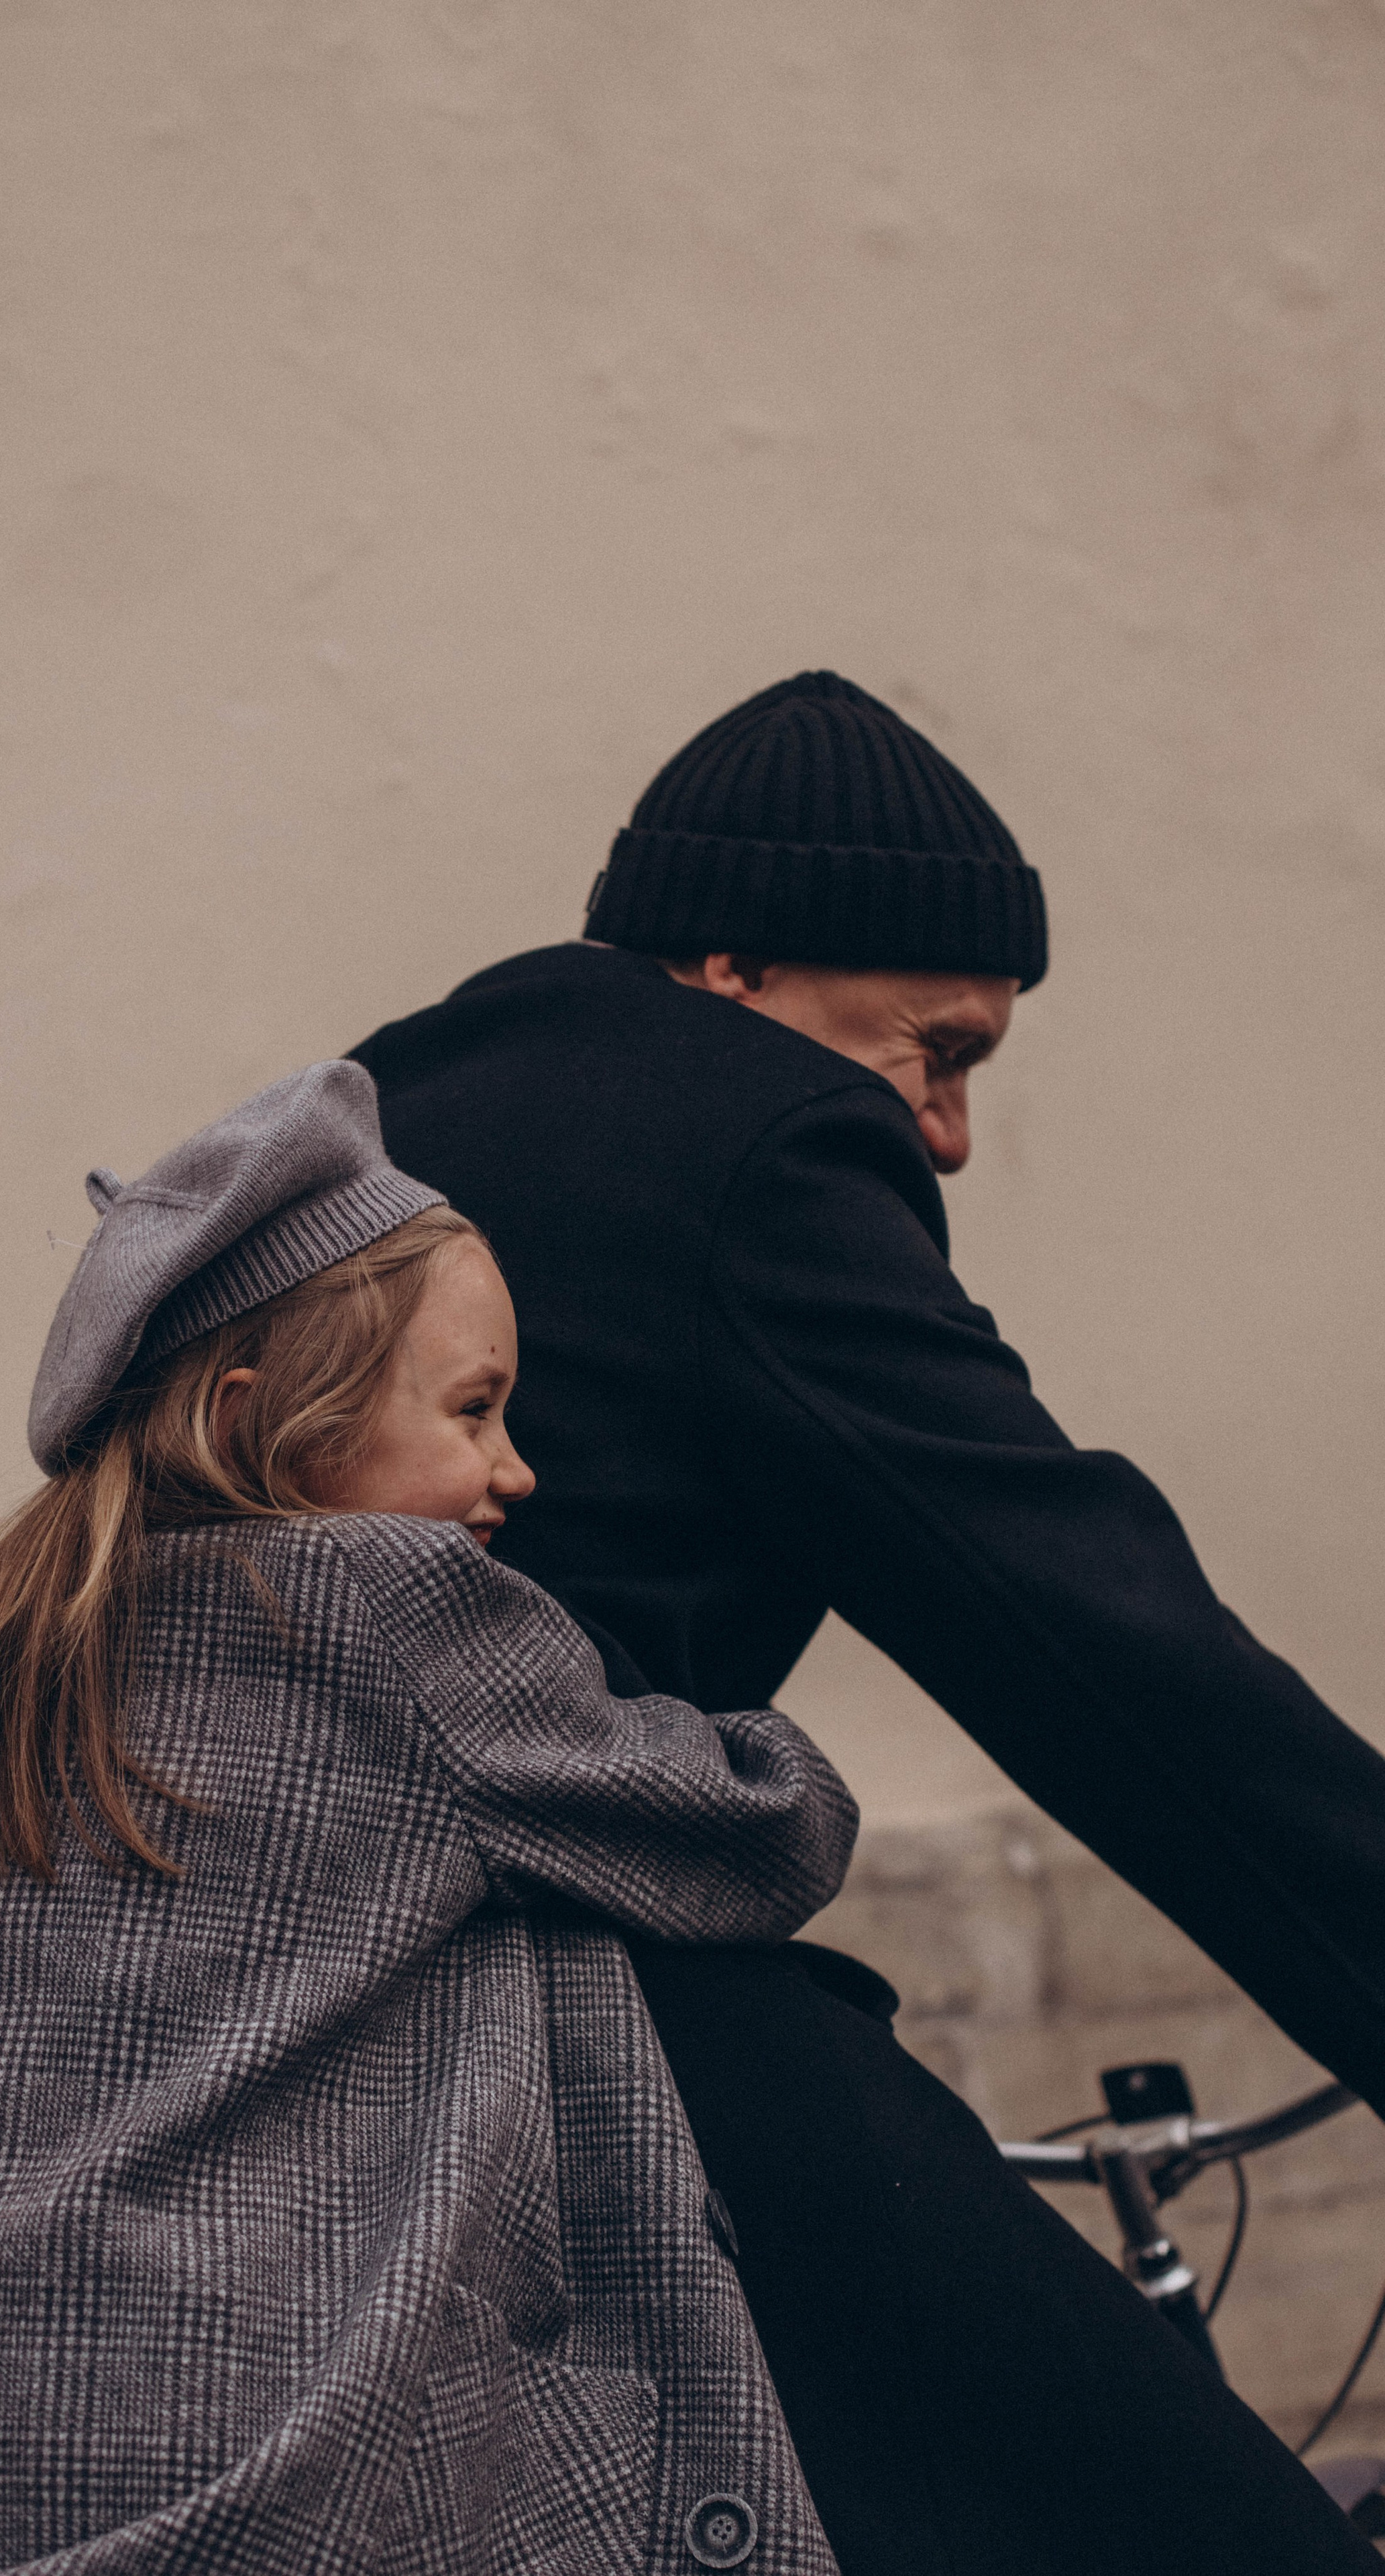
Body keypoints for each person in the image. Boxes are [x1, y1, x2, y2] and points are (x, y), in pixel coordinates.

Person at [351, 669, 1385, 2573]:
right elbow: (1099, 1639)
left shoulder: (383, 1091)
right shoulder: (755, 1140)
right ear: (735, 972)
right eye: (937, 1047)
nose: (956, 1129)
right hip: (573, 1997)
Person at [0, 1061, 858, 2576]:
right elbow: (757, 1836)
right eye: (474, 1409)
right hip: (279, 2450)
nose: (512, 1471)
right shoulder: (382, 1606)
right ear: (263, 1423)